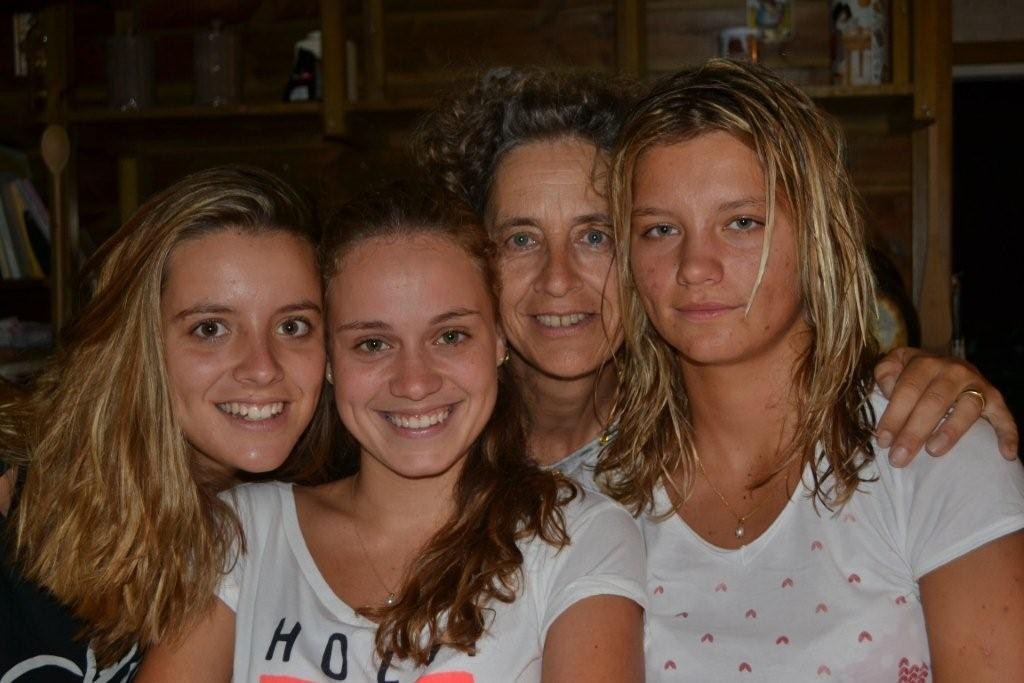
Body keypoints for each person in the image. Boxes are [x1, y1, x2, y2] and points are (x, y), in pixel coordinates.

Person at [603, 58, 1024, 680]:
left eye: (742, 223)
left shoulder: (934, 450)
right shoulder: (602, 491)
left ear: (818, 235)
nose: (694, 266)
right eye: (660, 229)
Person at [414, 67, 1019, 487]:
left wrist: (938, 381)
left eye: (595, 235)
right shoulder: (422, 425)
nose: (557, 278)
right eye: (520, 239)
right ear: (475, 258)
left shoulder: (691, 430)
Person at [137, 183, 646, 681]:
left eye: (450, 336)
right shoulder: (242, 532)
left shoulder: (577, 536)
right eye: (373, 344)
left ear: (498, 341)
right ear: (329, 360)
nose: (415, 382)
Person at [1, 165, 335, 681]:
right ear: (139, 341)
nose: (262, 367)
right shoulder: (13, 479)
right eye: (211, 328)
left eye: (293, 326)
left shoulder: (304, 529)